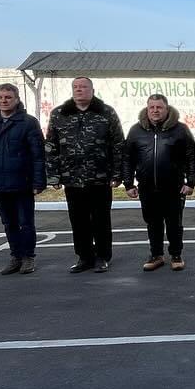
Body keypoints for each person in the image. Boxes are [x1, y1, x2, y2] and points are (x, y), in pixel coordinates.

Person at [45, 76, 124, 273]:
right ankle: (84, 257)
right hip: (72, 179)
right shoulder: (59, 114)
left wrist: (117, 174)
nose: (79, 90)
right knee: (78, 221)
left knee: (101, 220)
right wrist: (53, 176)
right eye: (76, 87)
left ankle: (103, 257)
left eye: (84, 87)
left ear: (92, 90)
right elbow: (51, 146)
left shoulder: (106, 113)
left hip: (99, 178)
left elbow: (118, 144)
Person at [0, 83, 46, 274]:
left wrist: (39, 181)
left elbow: (38, 155)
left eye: (8, 97)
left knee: (26, 222)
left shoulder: (28, 122)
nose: (4, 101)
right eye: (0, 97)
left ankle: (28, 257)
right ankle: (15, 256)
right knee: (9, 223)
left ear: (17, 99)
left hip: (22, 182)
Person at [124, 93, 195, 271]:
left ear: (166, 108)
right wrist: (128, 183)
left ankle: (176, 255)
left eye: (159, 107)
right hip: (147, 187)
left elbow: (191, 157)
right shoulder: (136, 131)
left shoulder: (180, 130)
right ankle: (156, 255)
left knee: (174, 223)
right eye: (152, 107)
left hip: (174, 187)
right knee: (152, 222)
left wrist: (191, 182)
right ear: (147, 109)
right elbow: (127, 158)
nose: (155, 110)